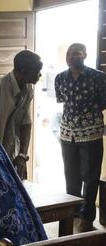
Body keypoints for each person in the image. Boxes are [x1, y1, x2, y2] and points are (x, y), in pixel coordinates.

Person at [55, 43, 106, 232]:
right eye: (69, 53)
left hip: (91, 132)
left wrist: (87, 116)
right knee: (71, 176)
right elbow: (62, 100)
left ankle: (87, 217)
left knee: (91, 177)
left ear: (85, 55)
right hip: (67, 133)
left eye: (76, 53)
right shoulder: (60, 78)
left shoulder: (98, 77)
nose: (71, 57)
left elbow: (103, 101)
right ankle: (72, 213)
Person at [0, 50, 43, 180]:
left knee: (16, 189)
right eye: (37, 71)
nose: (40, 75)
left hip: (12, 150)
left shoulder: (28, 89)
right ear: (24, 71)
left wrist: (22, 155)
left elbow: (26, 124)